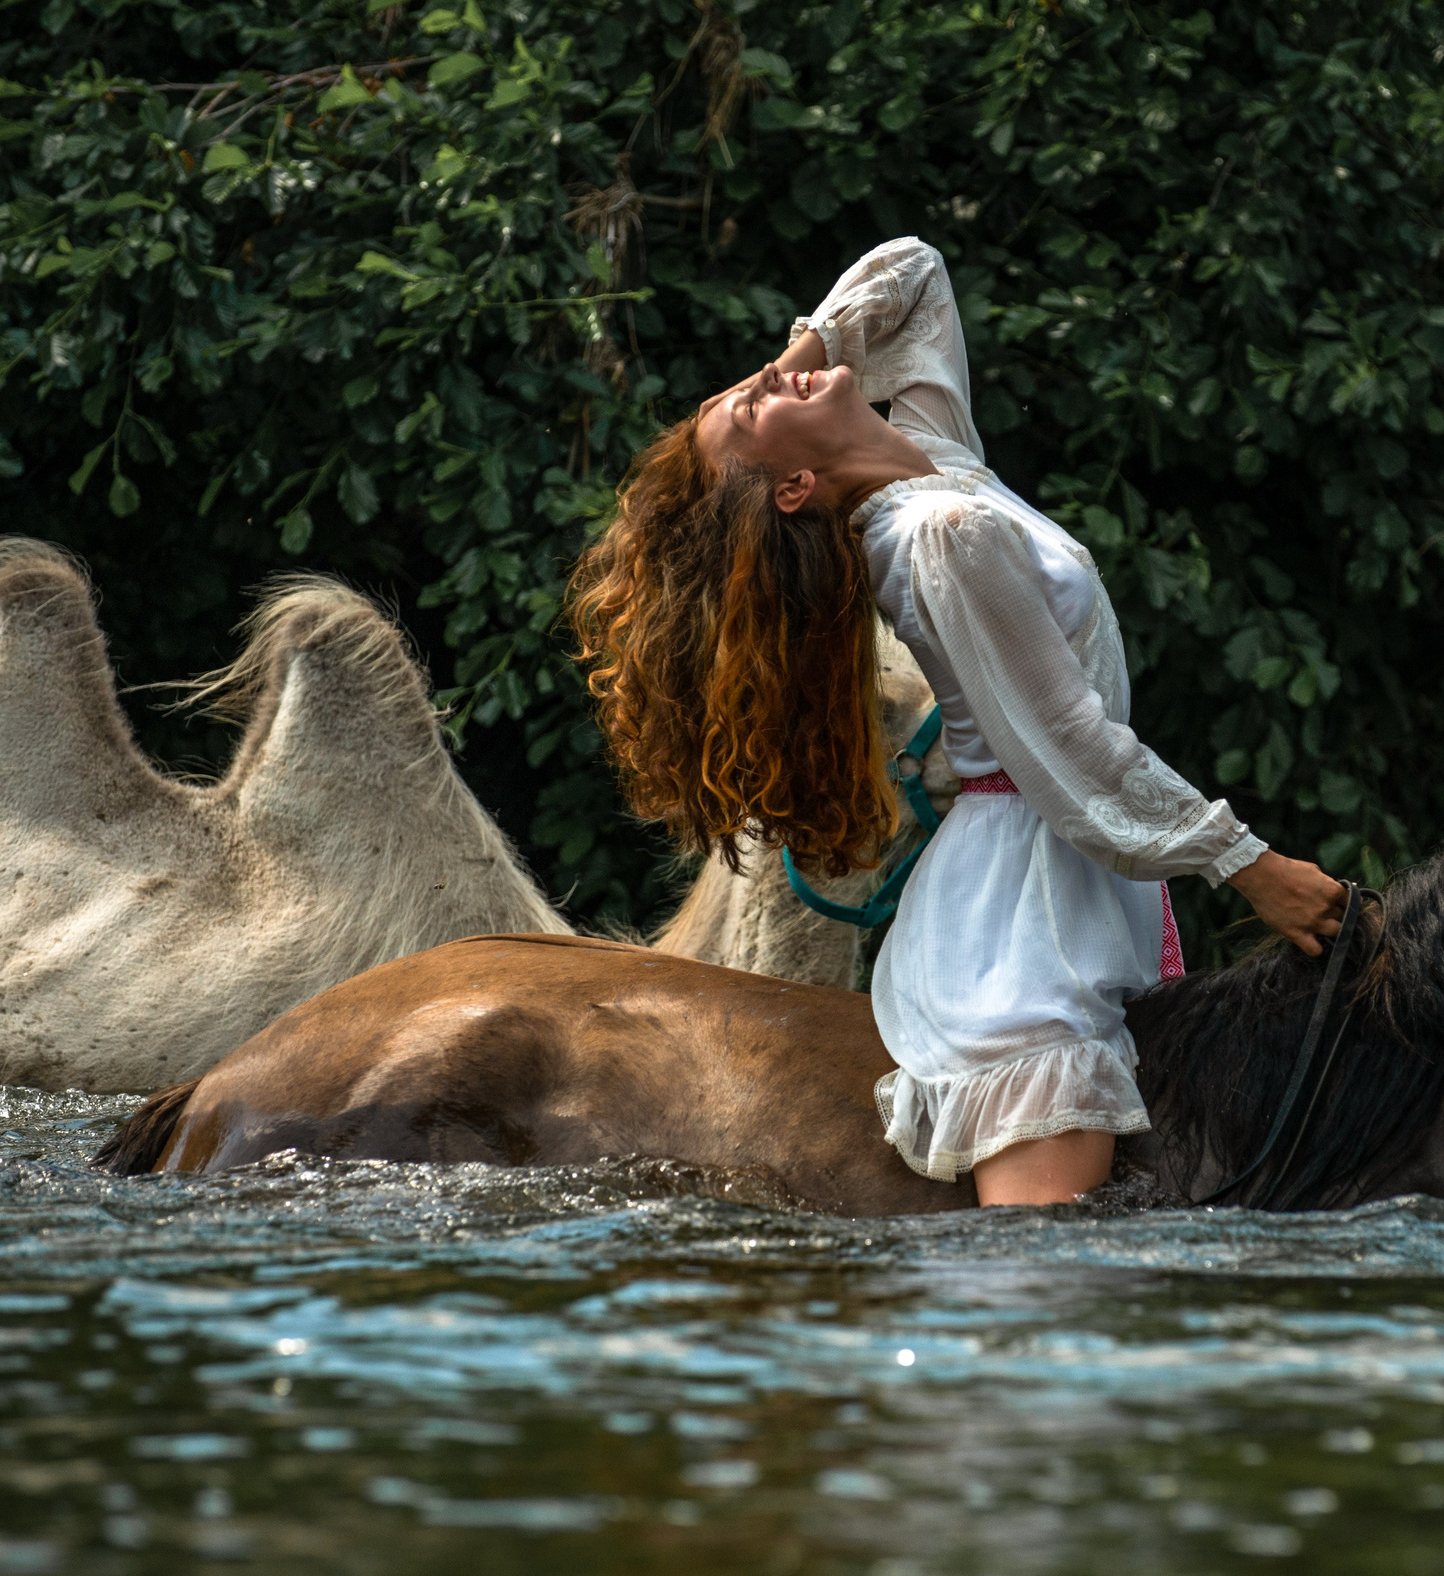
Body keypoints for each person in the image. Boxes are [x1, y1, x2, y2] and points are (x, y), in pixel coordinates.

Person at [570, 237, 1346, 1205]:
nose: (769, 373)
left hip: (1058, 872)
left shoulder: (934, 466)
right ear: (794, 487)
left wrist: (801, 352)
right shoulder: (937, 536)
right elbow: (1070, 746)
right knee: (1035, 1294)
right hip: (1023, 913)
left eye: (747, 381)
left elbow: (916, 273)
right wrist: (1248, 864)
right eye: (754, 403)